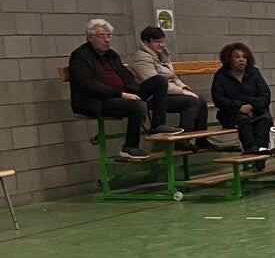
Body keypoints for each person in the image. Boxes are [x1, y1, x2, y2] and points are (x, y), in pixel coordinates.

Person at [66, 18, 157, 160]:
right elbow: (89, 85)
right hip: (97, 101)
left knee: (158, 82)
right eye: (102, 36)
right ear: (90, 37)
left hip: (121, 96)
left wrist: (135, 91)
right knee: (137, 106)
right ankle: (130, 147)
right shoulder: (79, 56)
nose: (107, 40)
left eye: (109, 36)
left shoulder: (112, 55)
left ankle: (158, 127)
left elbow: (127, 77)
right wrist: (121, 94)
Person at [125, 26, 209, 134]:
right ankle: (183, 140)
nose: (161, 44)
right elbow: (155, 83)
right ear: (146, 42)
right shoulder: (142, 57)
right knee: (192, 102)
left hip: (168, 93)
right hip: (153, 98)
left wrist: (185, 88)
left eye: (162, 41)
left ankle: (202, 140)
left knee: (201, 100)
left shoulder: (163, 56)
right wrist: (182, 91)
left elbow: (173, 76)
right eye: (156, 41)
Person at [211, 41, 273, 152]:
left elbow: (265, 95)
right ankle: (251, 151)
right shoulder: (220, 76)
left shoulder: (254, 73)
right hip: (231, 114)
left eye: (244, 57)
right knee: (244, 121)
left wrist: (251, 105)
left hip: (256, 111)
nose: (241, 60)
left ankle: (261, 153)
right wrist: (239, 108)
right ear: (229, 59)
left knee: (266, 119)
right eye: (237, 57)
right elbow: (218, 99)